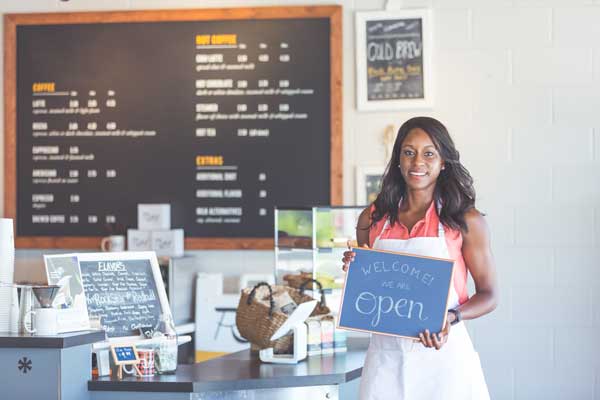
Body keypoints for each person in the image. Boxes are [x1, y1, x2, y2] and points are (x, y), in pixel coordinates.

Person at [342, 116, 498, 400]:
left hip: (445, 365)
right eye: (409, 152)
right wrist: (354, 267)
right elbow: (369, 289)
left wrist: (450, 317)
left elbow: (489, 295)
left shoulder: (466, 220)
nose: (417, 162)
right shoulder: (372, 218)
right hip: (385, 364)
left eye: (429, 153)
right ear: (398, 158)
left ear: (443, 162)